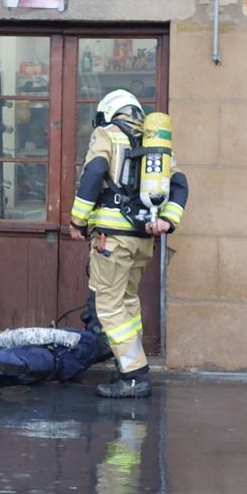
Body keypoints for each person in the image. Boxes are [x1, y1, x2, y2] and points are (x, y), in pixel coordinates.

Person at [68, 90, 188, 399]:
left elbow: (94, 173)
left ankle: (133, 375)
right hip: (141, 238)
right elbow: (179, 183)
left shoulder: (106, 134)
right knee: (127, 301)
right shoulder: (153, 144)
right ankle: (130, 363)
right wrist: (169, 221)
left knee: (108, 305)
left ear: (109, 112)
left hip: (112, 238)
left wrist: (78, 220)